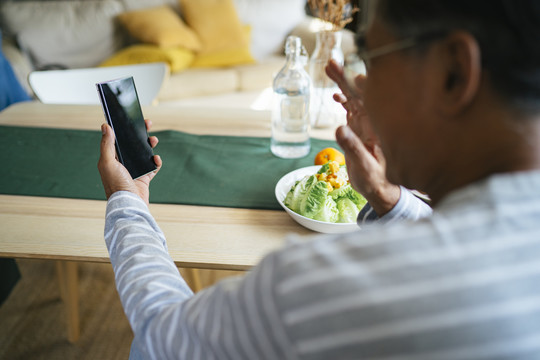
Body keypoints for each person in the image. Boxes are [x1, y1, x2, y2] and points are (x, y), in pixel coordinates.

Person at [98, 1, 540, 358]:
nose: (363, 83)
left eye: (372, 57)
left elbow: (163, 335)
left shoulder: (321, 286)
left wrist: (127, 198)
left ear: (454, 72)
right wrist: (390, 202)